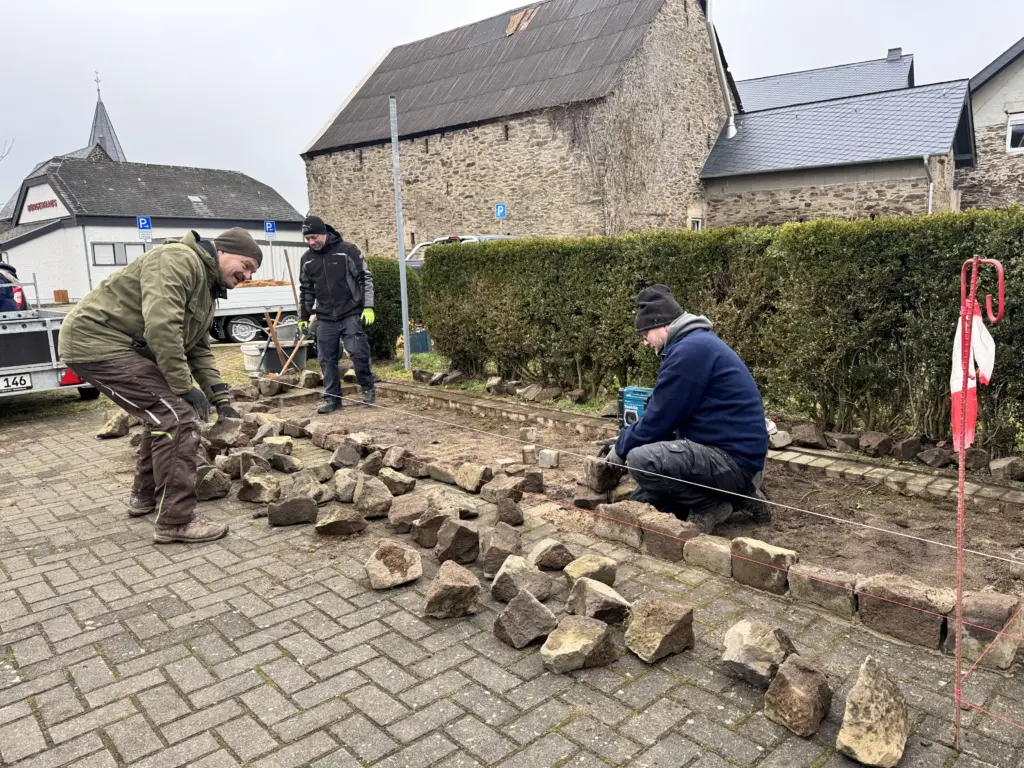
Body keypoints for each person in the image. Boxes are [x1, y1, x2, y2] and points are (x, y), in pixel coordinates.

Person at [59, 228, 262, 544]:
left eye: (252, 271)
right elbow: (162, 326)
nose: (247, 275)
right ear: (222, 251)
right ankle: (175, 521)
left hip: (118, 347)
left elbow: (197, 347)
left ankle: (144, 497)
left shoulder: (206, 287)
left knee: (161, 416)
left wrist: (220, 397)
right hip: (98, 343)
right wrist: (184, 388)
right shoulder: (177, 260)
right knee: (179, 418)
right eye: (246, 265)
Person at [609, 284, 770, 534]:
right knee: (643, 502)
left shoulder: (690, 351)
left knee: (641, 461)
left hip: (734, 462)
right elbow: (663, 410)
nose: (644, 342)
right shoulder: (693, 345)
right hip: (731, 458)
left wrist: (621, 449)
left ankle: (711, 504)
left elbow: (659, 419)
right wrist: (624, 439)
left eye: (644, 334)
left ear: (661, 325)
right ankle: (741, 496)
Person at [296, 215, 376, 414]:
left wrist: (368, 306)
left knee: (358, 352)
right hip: (324, 317)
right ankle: (332, 398)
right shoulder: (307, 260)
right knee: (326, 358)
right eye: (307, 239)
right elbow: (306, 290)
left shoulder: (347, 250)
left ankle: (367, 387)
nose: (311, 242)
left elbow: (364, 278)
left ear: (324, 233)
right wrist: (303, 318)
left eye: (314, 237)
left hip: (350, 312)